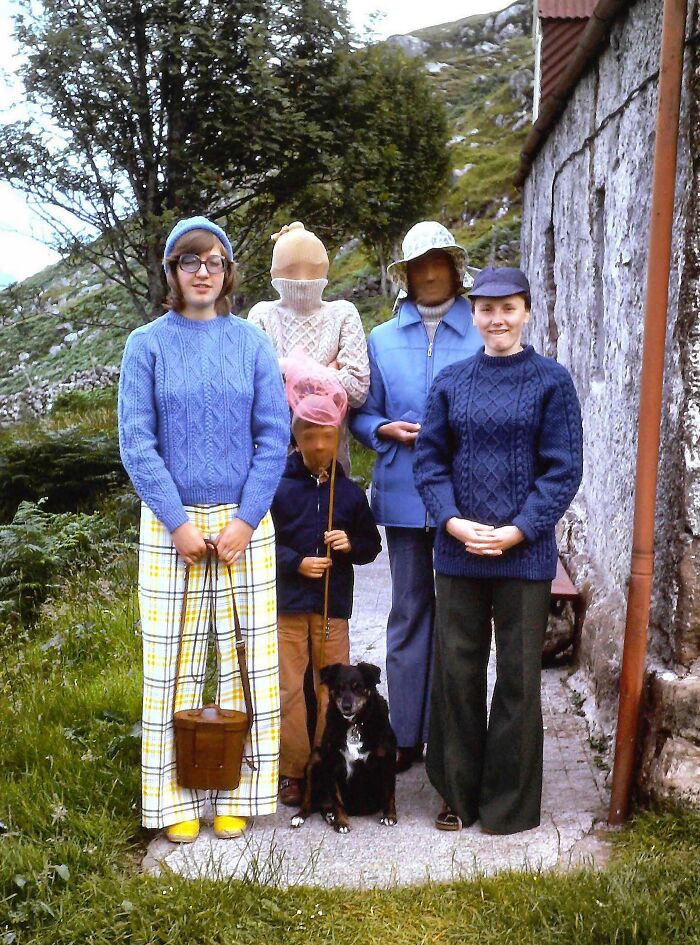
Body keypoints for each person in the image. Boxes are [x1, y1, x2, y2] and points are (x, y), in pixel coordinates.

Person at [118, 216, 289, 843]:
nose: (203, 272)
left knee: (250, 663)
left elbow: (274, 436)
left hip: (246, 522)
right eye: (190, 261)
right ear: (172, 272)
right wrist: (179, 524)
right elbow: (136, 442)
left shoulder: (251, 344)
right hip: (172, 526)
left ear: (228, 272)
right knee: (172, 665)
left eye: (214, 261)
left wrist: (246, 519)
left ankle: (241, 789)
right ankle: (172, 801)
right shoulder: (147, 345)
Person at [413, 266, 583, 834]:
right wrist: (455, 524)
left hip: (524, 554)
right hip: (458, 551)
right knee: (457, 672)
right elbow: (429, 462)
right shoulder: (451, 382)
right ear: (473, 315)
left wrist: (517, 531)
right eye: (486, 309)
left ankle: (508, 804)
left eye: (508, 307)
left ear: (527, 311)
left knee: (516, 676)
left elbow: (562, 471)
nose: (498, 319)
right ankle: (457, 795)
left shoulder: (552, 382)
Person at [349, 221, 482, 772]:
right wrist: (384, 429)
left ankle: (451, 734)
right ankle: (404, 735)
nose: (430, 274)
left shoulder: (480, 330)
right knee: (407, 612)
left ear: (454, 269)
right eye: (418, 266)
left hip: (467, 499)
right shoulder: (380, 339)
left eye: (439, 263)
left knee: (458, 618)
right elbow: (359, 412)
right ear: (406, 276)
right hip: (404, 498)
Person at [271, 354, 382, 806]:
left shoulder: (351, 493)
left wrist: (349, 545)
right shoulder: (277, 488)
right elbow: (262, 543)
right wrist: (296, 561)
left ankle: (327, 761)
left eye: (328, 437)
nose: (319, 446)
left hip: (333, 606)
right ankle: (293, 770)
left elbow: (372, 546)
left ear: (338, 439)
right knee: (287, 687)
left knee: (331, 688)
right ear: (296, 440)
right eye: (310, 437)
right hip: (288, 604)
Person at [248, 221, 370, 473]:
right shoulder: (262, 315)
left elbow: (358, 391)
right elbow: (254, 395)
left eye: (312, 266)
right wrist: (328, 373)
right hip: (273, 473)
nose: (303, 277)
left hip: (333, 471)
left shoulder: (342, 313)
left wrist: (286, 370)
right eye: (293, 267)